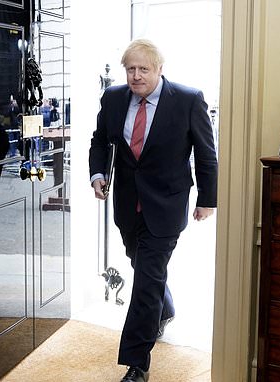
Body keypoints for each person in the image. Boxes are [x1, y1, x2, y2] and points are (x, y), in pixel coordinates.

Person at [89, 39, 218, 382]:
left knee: (145, 282)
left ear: (160, 69)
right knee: (144, 267)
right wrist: (98, 174)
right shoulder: (114, 98)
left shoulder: (189, 100)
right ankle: (167, 308)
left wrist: (207, 199)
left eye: (143, 69)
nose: (135, 76)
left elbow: (206, 154)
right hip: (128, 206)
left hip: (167, 204)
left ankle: (137, 363)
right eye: (130, 69)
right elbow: (100, 140)